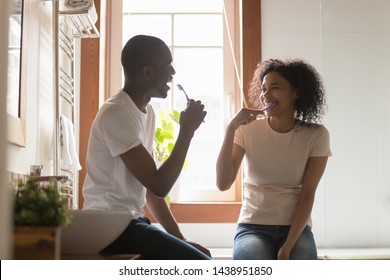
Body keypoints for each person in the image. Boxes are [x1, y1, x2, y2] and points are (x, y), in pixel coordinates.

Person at [82, 35, 210, 260]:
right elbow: (159, 185)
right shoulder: (116, 114)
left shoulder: (146, 112)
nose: (173, 73)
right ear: (147, 73)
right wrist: (187, 132)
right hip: (108, 226)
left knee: (196, 259)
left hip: (130, 223)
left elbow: (151, 191)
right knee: (200, 264)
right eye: (168, 66)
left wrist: (180, 238)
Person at [216, 59, 332, 260]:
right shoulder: (246, 130)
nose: (265, 94)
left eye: (275, 88)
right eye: (263, 89)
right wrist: (230, 129)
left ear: (296, 92)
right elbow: (223, 183)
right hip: (252, 227)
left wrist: (288, 246)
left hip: (296, 228)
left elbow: (307, 195)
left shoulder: (316, 135)